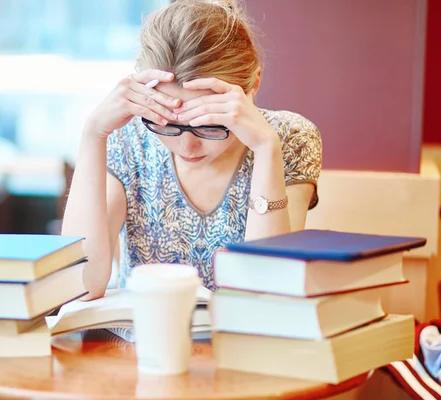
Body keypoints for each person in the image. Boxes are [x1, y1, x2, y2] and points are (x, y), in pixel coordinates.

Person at [62, 0, 322, 299]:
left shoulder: (289, 137)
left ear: (254, 85)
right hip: (140, 341)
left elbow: (269, 290)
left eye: (209, 125)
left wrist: (265, 149)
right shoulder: (128, 139)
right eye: (167, 124)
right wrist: (93, 134)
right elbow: (80, 287)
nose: (187, 146)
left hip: (244, 341)